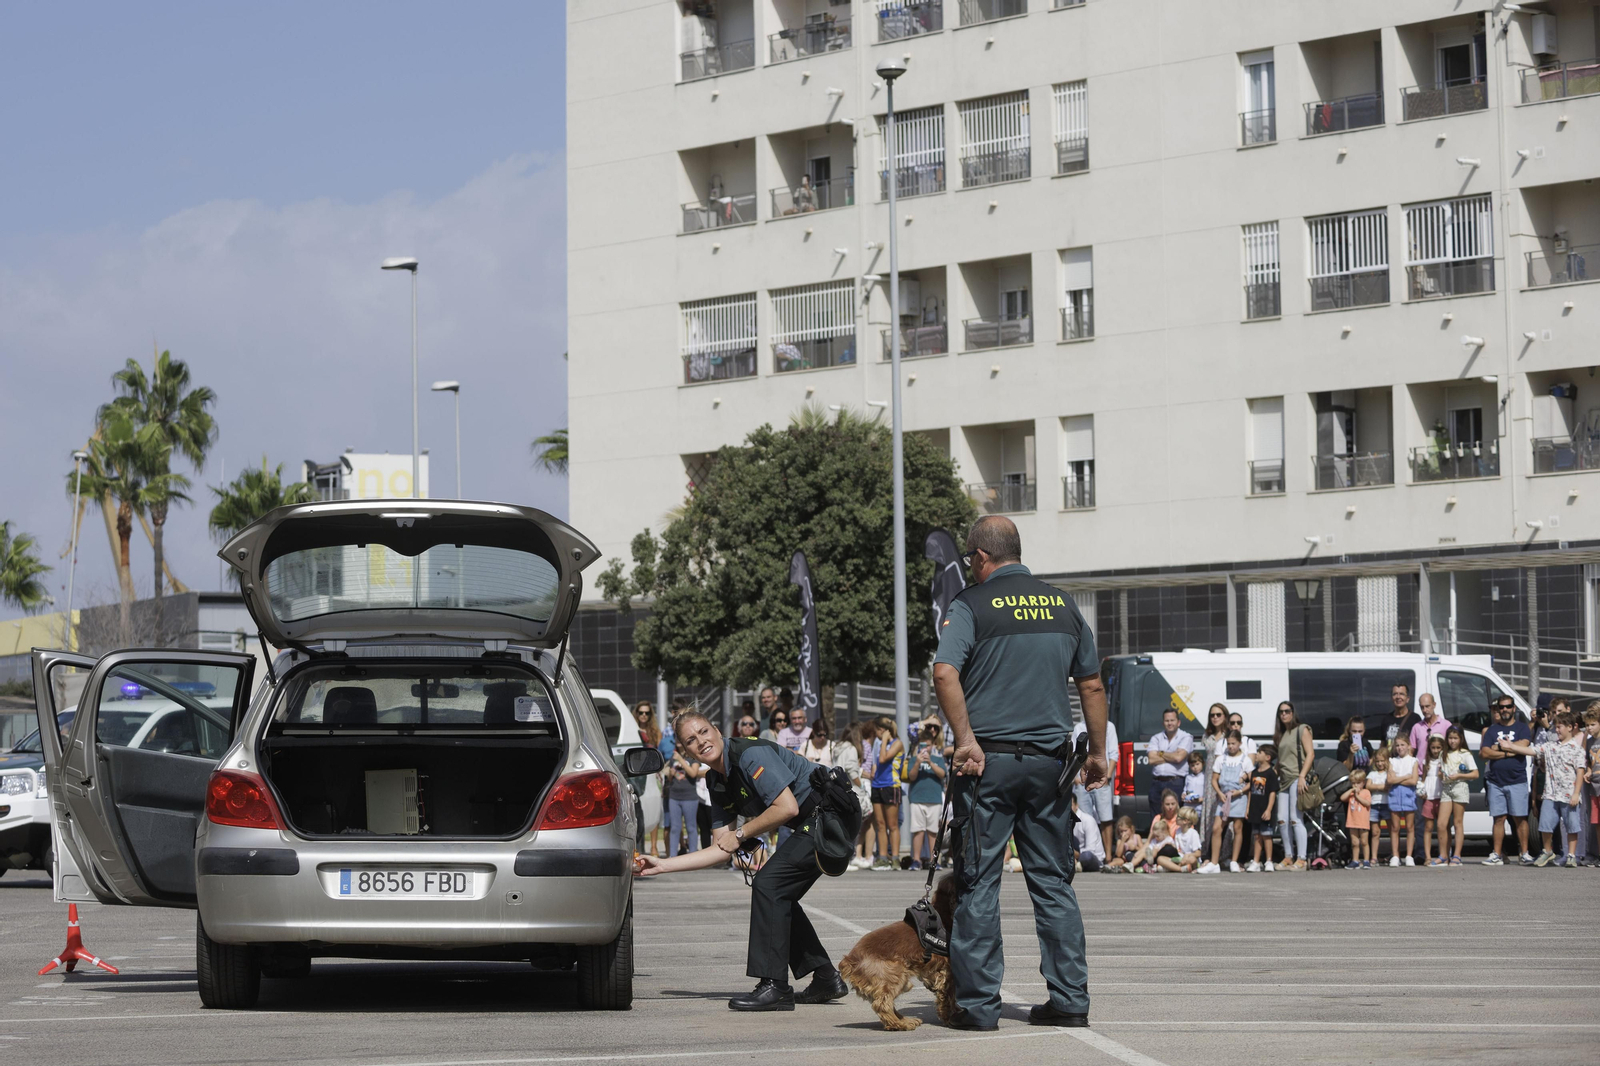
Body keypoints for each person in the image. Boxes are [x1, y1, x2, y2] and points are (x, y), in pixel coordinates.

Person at [934, 515, 1106, 1030]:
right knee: (1053, 883)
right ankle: (1070, 1000)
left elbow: (945, 672)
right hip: (1050, 767)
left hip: (988, 765)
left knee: (979, 881)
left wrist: (965, 739)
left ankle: (979, 1005)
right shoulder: (1062, 603)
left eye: (969, 559)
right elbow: (1091, 684)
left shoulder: (970, 604)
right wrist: (1097, 752)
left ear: (981, 557)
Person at [638, 712, 849, 1011]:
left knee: (770, 885)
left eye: (703, 732)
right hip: (810, 820)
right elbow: (720, 847)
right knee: (778, 895)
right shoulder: (716, 780)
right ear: (685, 751)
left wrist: (741, 833)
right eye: (690, 740)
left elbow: (786, 807)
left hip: (831, 815)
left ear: (717, 729)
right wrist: (662, 864)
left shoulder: (749, 754)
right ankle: (826, 978)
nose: (701, 741)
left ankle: (774, 986)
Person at [1493, 709, 1588, 868]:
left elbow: (1580, 772)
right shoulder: (1550, 746)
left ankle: (1571, 855)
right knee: (1545, 824)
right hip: (1550, 794)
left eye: (1560, 727)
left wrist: (1576, 793)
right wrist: (1510, 746)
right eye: (1556, 727)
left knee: (1572, 825)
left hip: (1569, 794)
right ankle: (1547, 851)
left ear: (1571, 727)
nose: (1557, 730)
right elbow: (1531, 750)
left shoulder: (1576, 749)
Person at [1479, 695, 1534, 867]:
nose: (1504, 710)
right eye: (1501, 707)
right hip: (1495, 781)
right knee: (1499, 819)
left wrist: (1499, 746)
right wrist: (1508, 750)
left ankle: (1524, 854)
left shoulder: (1522, 728)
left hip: (1517, 780)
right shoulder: (1491, 730)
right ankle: (1496, 854)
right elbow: (1484, 753)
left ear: (1514, 708)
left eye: (1508, 706)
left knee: (1520, 818)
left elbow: (1524, 745)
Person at [1071, 714, 1119, 860]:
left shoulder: (1108, 726)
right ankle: (1085, 855)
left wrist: (1108, 776)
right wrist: (1075, 777)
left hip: (1101, 778)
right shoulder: (1078, 727)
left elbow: (1113, 754)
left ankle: (1108, 857)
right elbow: (1073, 753)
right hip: (1082, 779)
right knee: (1083, 818)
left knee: (1106, 818)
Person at [1273, 701, 1313, 872]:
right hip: (1283, 780)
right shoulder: (1281, 734)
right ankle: (1288, 856)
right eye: (1281, 712)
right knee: (1282, 819)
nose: (1284, 714)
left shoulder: (1302, 729)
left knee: (1295, 818)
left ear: (1293, 712)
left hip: (1298, 777)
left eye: (1287, 711)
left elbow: (1310, 753)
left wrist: (1303, 776)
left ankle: (1302, 859)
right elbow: (1281, 760)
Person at [903, 723, 948, 871]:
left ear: (932, 745)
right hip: (917, 798)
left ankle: (933, 860)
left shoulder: (937, 758)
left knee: (933, 831)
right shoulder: (913, 759)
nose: (925, 748)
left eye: (928, 745)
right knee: (917, 830)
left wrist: (930, 762)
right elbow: (911, 776)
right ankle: (916, 860)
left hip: (934, 799)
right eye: (923, 745)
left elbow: (942, 774)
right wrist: (917, 762)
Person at [1206, 730, 1251, 873]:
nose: (1231, 746)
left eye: (1234, 743)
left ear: (1239, 743)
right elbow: (1214, 779)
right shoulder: (1221, 759)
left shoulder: (1245, 760)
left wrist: (1240, 792)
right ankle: (1214, 862)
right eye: (1229, 743)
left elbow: (1251, 781)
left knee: (1238, 828)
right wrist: (1219, 793)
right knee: (1216, 828)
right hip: (1224, 798)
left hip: (1239, 798)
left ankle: (1234, 861)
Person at [868, 717, 904, 870]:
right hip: (877, 785)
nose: (875, 733)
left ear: (882, 730)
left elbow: (883, 759)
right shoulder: (880, 743)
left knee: (893, 825)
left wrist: (884, 741)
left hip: (891, 786)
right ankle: (882, 857)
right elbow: (877, 763)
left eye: (876, 730)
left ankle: (895, 858)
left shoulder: (897, 743)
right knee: (880, 824)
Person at [1437, 726, 1477, 866]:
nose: (1452, 741)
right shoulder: (1443, 753)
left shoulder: (1465, 754)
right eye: (1450, 738)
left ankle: (1457, 855)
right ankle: (1443, 855)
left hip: (1459, 786)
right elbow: (1441, 771)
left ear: (1461, 739)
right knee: (1441, 823)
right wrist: (1441, 774)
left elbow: (1475, 773)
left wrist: (1459, 775)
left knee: (1457, 822)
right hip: (1447, 787)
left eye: (1455, 738)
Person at [1146, 707, 1194, 816]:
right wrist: (1172, 754)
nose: (1169, 723)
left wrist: (1161, 753)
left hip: (1176, 783)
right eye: (1167, 721)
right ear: (1163, 723)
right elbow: (1151, 759)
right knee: (1157, 819)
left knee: (1176, 818)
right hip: (1157, 783)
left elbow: (1179, 758)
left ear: (1178, 722)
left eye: (1172, 720)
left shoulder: (1186, 737)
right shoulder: (1156, 738)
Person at [1385, 736, 1419, 867]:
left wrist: (1397, 778)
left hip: (1409, 796)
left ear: (1409, 746)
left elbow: (1414, 781)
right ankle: (1395, 855)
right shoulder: (1392, 761)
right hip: (1394, 795)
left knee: (1410, 827)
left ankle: (1409, 855)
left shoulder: (1413, 761)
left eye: (1403, 745)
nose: (1400, 748)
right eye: (1397, 745)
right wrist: (1405, 776)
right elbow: (1390, 780)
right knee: (1395, 827)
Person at [1245, 743, 1278, 872]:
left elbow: (1272, 792)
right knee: (1257, 836)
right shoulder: (1254, 772)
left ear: (1268, 757)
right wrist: (1248, 808)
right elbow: (1251, 792)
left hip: (1265, 810)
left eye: (1260, 752)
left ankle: (1269, 860)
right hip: (1255, 809)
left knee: (1267, 835)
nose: (1257, 755)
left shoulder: (1271, 773)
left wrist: (1269, 809)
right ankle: (1256, 861)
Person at [663, 751, 703, 858]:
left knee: (691, 827)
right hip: (674, 796)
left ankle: (693, 856)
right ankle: (673, 856)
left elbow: (693, 773)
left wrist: (681, 760)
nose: (678, 743)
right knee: (675, 827)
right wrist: (671, 774)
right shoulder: (673, 758)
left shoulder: (693, 758)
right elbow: (671, 779)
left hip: (689, 797)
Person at [1418, 734, 1446, 866]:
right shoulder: (1426, 762)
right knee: (1428, 827)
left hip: (1442, 796)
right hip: (1429, 796)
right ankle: (1427, 856)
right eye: (1433, 747)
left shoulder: (1444, 761)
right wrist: (1422, 790)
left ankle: (1444, 854)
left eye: (1438, 748)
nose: (1435, 750)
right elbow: (1423, 779)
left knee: (1443, 827)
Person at [1408, 693, 1451, 773]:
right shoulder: (1416, 727)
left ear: (1434, 705)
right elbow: (1410, 751)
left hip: (1440, 772)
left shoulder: (1446, 725)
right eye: (1422, 707)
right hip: (1421, 773)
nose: (1425, 710)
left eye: (1427, 706)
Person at [1377, 683, 1421, 753]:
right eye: (1395, 694)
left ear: (1407, 699)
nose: (1398, 697)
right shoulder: (1386, 719)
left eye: (1401, 694)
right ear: (1392, 698)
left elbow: (1418, 745)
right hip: (1389, 762)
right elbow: (1383, 744)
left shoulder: (1415, 719)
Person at [1366, 746, 1390, 862]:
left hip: (1387, 803)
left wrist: (1377, 788)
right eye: (1378, 761)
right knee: (1375, 832)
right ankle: (1374, 856)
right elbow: (1368, 786)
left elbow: (1389, 787)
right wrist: (1381, 787)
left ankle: (1394, 854)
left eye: (1382, 761)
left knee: (1392, 830)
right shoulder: (1372, 774)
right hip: (1374, 804)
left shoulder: (1389, 773)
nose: (1380, 764)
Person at [1345, 769, 1372, 869]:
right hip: (1352, 822)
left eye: (1358, 783)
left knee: (1364, 842)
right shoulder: (1351, 793)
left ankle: (1366, 860)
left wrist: (1357, 796)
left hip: (1363, 822)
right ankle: (1355, 860)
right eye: (1353, 783)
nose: (1355, 785)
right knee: (1355, 843)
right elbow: (1342, 798)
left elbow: (1367, 803)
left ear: (1363, 783)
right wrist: (1351, 791)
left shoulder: (1366, 792)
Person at [1071, 793, 1104, 873]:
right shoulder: (1064, 821)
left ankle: (1075, 864)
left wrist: (1075, 853)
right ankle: (1075, 865)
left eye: (1070, 805)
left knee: (1087, 855)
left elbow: (1090, 849)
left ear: (1076, 805)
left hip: (1093, 858)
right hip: (1074, 855)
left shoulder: (1088, 820)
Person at [1173, 807, 1204, 871]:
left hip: (1189, 858)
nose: (1176, 818)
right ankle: (1181, 868)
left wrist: (1188, 855)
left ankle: (1174, 867)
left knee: (1192, 859)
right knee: (1161, 858)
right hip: (1180, 857)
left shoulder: (1193, 833)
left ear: (1185, 821)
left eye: (1178, 816)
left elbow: (1198, 853)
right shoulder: (1178, 831)